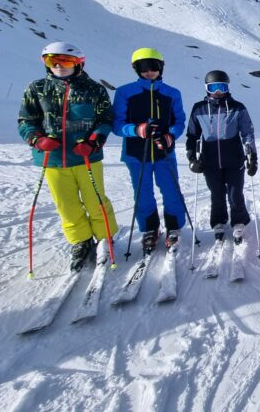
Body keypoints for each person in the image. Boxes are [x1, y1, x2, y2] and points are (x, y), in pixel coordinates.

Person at [18, 42, 118, 271]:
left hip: (86, 157)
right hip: (52, 159)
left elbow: (105, 119)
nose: (59, 66)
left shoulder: (94, 89)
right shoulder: (37, 88)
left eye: (66, 61)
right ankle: (80, 241)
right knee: (66, 205)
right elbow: (26, 120)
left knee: (96, 200)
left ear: (79, 64)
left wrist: (94, 141)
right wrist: (37, 140)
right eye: (52, 60)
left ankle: (105, 238)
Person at [112, 48, 186, 253]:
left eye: (154, 67)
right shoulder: (125, 92)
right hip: (136, 154)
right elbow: (117, 125)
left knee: (171, 190)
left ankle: (174, 227)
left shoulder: (172, 93)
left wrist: (171, 135)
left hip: (164, 152)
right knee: (143, 194)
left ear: (161, 67)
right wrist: (136, 129)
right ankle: (150, 229)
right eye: (144, 68)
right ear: (136, 68)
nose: (149, 72)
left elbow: (179, 121)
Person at [186, 71, 256, 245]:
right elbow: (192, 136)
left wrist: (252, 157)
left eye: (222, 87)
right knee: (216, 193)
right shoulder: (199, 108)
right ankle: (218, 221)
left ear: (227, 87)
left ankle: (238, 221)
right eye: (213, 87)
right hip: (209, 160)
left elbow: (247, 133)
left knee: (235, 193)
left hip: (234, 158)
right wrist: (192, 158)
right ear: (207, 88)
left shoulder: (237, 107)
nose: (218, 91)